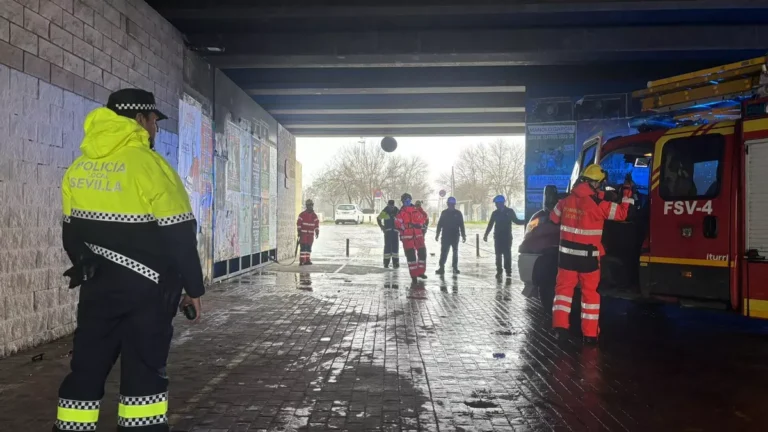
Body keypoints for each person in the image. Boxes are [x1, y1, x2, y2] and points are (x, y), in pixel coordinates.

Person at [55, 89, 204, 432]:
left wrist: (87, 263)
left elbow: (71, 236)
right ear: (139, 120)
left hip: (97, 290)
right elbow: (180, 235)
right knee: (144, 375)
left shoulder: (79, 167)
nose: (155, 130)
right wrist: (193, 287)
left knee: (86, 369)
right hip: (149, 293)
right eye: (154, 121)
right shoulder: (152, 167)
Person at [549, 164, 634, 345]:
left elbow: (553, 218)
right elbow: (622, 214)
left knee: (563, 293)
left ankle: (560, 329)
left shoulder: (565, 201)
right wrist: (627, 195)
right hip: (588, 259)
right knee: (590, 296)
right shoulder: (600, 205)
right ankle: (589, 335)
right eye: (600, 185)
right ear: (595, 184)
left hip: (565, 258)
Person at [484, 195, 525, 278]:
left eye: (497, 203)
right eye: (495, 204)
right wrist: (486, 235)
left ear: (501, 203)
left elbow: (516, 221)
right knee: (498, 255)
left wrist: (527, 221)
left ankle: (508, 271)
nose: (495, 205)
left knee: (507, 254)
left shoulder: (510, 211)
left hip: (507, 237)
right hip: (498, 238)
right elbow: (490, 225)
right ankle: (499, 271)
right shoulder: (495, 213)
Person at [395, 193, 428, 284]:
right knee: (411, 258)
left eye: (408, 200)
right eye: (405, 201)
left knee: (422, 254)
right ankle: (414, 276)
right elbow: (398, 224)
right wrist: (407, 226)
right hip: (407, 238)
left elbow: (424, 218)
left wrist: (420, 209)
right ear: (402, 201)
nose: (407, 202)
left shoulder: (416, 210)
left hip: (418, 237)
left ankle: (421, 272)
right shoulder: (400, 213)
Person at [435, 197, 466, 275]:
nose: (451, 205)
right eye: (449, 204)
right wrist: (437, 234)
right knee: (444, 252)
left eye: (452, 204)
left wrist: (463, 235)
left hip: (455, 236)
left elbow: (461, 225)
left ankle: (455, 268)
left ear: (454, 204)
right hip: (445, 236)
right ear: (447, 204)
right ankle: (441, 267)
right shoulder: (444, 213)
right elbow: (439, 224)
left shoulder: (458, 213)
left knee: (455, 252)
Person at [377, 200, 400, 268]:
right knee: (387, 247)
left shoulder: (397, 211)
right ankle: (386, 263)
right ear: (388, 205)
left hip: (395, 232)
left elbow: (402, 219)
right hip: (388, 232)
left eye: (392, 206)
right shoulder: (385, 211)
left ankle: (395, 262)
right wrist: (382, 226)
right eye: (390, 206)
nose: (391, 207)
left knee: (395, 248)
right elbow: (378, 218)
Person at [297, 199, 320, 265]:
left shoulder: (314, 215)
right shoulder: (302, 214)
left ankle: (307, 260)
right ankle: (302, 261)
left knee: (309, 248)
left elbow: (316, 224)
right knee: (303, 248)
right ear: (306, 206)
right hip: (303, 235)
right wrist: (299, 231)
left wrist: (317, 231)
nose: (310, 206)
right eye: (309, 205)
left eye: (311, 205)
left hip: (310, 235)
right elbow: (299, 223)